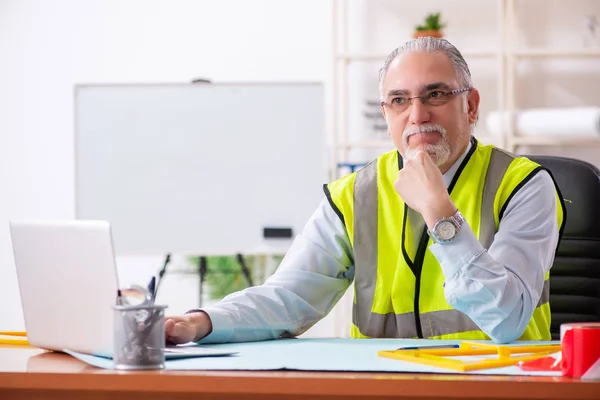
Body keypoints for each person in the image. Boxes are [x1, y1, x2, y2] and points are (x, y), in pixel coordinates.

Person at [164, 37, 566, 345]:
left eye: (436, 94)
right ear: (387, 113)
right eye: (398, 100)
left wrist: (441, 214)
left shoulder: (524, 185)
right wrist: (202, 322)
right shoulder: (353, 195)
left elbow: (508, 320)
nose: (417, 115)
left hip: (498, 387)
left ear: (472, 106)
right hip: (384, 385)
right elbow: (288, 298)